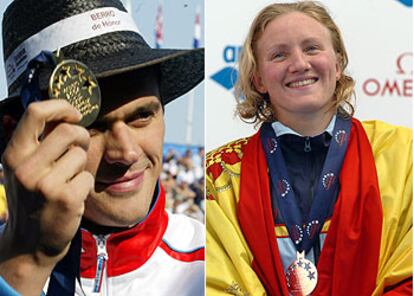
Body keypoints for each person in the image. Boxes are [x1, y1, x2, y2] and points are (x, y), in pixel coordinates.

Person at [206, 1, 412, 295]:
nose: (300, 64)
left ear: (338, 64)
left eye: (312, 48)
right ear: (258, 79)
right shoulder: (220, 176)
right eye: (279, 55)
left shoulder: (404, 154)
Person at [0, 0, 204, 295]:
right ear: (15, 134)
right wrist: (25, 266)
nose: (127, 153)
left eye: (142, 116)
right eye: (91, 124)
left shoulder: (215, 266)